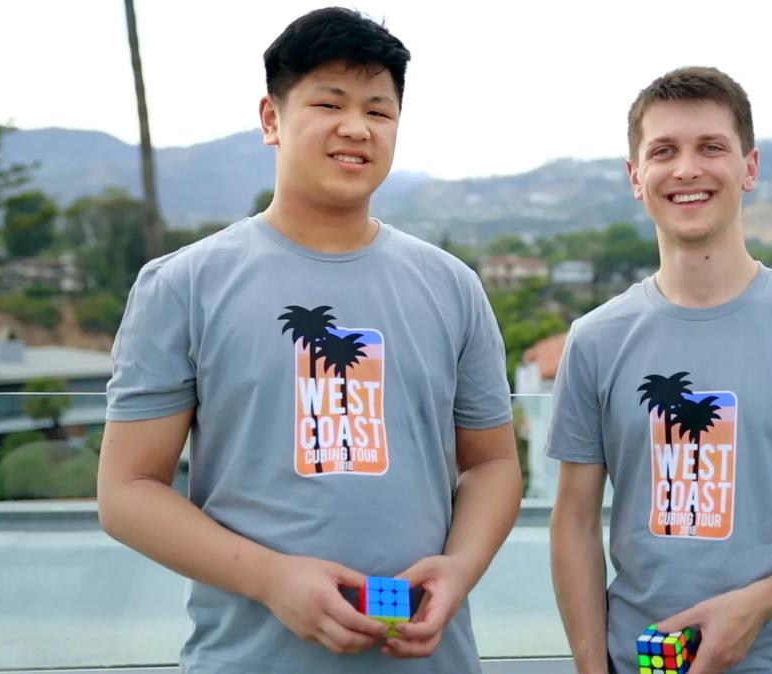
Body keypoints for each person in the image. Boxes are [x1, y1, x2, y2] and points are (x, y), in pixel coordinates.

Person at [97, 8, 522, 673]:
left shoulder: (453, 286)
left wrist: (460, 569)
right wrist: (271, 579)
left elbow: (492, 463)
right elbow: (126, 492)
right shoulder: (182, 284)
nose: (356, 128)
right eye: (330, 103)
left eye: (379, 113)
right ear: (271, 118)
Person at [547, 66, 772, 674]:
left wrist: (760, 603)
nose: (687, 169)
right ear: (636, 177)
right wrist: (592, 668)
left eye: (711, 147)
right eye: (663, 151)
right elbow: (576, 522)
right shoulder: (594, 340)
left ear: (750, 167)